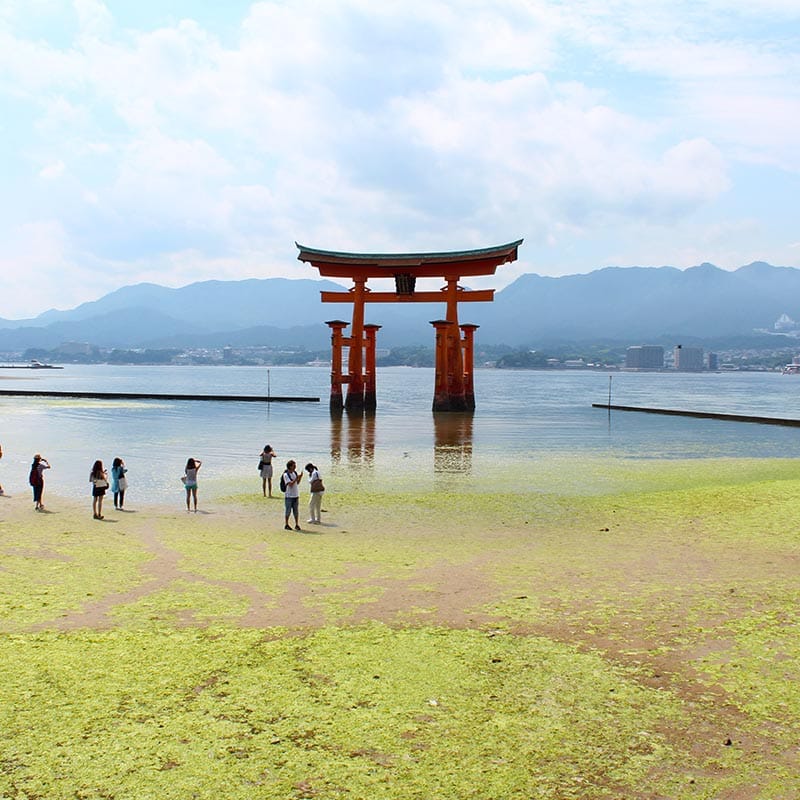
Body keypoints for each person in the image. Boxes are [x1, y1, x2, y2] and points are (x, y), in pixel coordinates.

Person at [281, 459, 302, 531]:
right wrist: (296, 478)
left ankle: (297, 524)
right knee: (288, 511)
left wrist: (300, 478)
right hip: (289, 496)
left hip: (296, 495)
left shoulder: (294, 473)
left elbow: (297, 483)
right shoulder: (286, 475)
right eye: (294, 465)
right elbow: (290, 484)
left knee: (296, 511)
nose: (295, 467)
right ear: (290, 466)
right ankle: (286, 524)